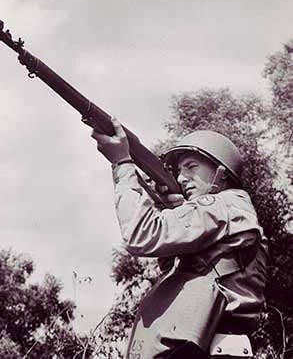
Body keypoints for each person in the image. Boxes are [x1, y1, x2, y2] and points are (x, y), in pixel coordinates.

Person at [91, 118, 268, 359]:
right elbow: (177, 272)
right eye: (179, 171)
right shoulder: (234, 212)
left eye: (191, 167)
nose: (182, 178)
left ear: (221, 173)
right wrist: (170, 208)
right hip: (213, 345)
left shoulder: (222, 204)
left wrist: (123, 163)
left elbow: (140, 236)